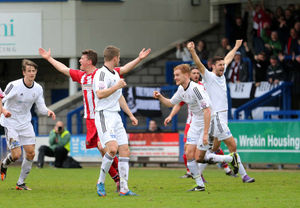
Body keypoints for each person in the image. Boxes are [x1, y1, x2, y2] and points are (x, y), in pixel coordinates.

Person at [39, 47, 150, 191]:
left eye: (82, 58)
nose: (79, 60)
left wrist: (139, 59)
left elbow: (123, 69)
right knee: (105, 150)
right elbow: (64, 69)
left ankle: (118, 182)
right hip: (92, 119)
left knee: (107, 148)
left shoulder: (102, 73)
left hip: (105, 115)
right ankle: (117, 180)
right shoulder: (82, 76)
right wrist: (49, 58)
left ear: (89, 61)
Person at [154, 64, 238, 192]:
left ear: (186, 75)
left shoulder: (196, 89)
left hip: (208, 122)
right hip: (195, 123)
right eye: (174, 75)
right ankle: (200, 185)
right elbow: (171, 103)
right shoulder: (181, 89)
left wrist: (205, 134)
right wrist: (160, 97)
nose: (175, 78)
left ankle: (230, 159)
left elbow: (207, 111)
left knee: (199, 157)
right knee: (189, 154)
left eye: (177, 75)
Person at [187, 39, 255, 183]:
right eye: (220, 65)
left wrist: (236, 46)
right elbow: (199, 64)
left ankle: (198, 174)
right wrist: (193, 51)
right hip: (216, 116)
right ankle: (244, 175)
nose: (223, 67)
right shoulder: (209, 76)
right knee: (232, 145)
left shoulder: (222, 76)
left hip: (222, 116)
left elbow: (228, 58)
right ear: (213, 66)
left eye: (223, 65)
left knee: (212, 149)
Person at [0, 59, 56, 190]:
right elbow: (1, 99)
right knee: (16, 155)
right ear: (23, 72)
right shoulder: (14, 85)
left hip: (25, 124)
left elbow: (41, 107)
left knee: (31, 154)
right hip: (11, 123)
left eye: (34, 71)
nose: (31, 73)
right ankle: (3, 164)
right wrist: (3, 110)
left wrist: (48, 111)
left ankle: (20, 183)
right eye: (29, 71)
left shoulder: (38, 88)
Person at [93, 45, 138, 196]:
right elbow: (99, 94)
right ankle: (100, 182)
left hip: (116, 116)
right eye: (118, 58)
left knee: (125, 150)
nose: (119, 60)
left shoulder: (116, 75)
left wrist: (130, 115)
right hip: (104, 115)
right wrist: (117, 86)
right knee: (112, 149)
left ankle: (124, 189)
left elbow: (119, 96)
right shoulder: (101, 74)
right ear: (115, 58)